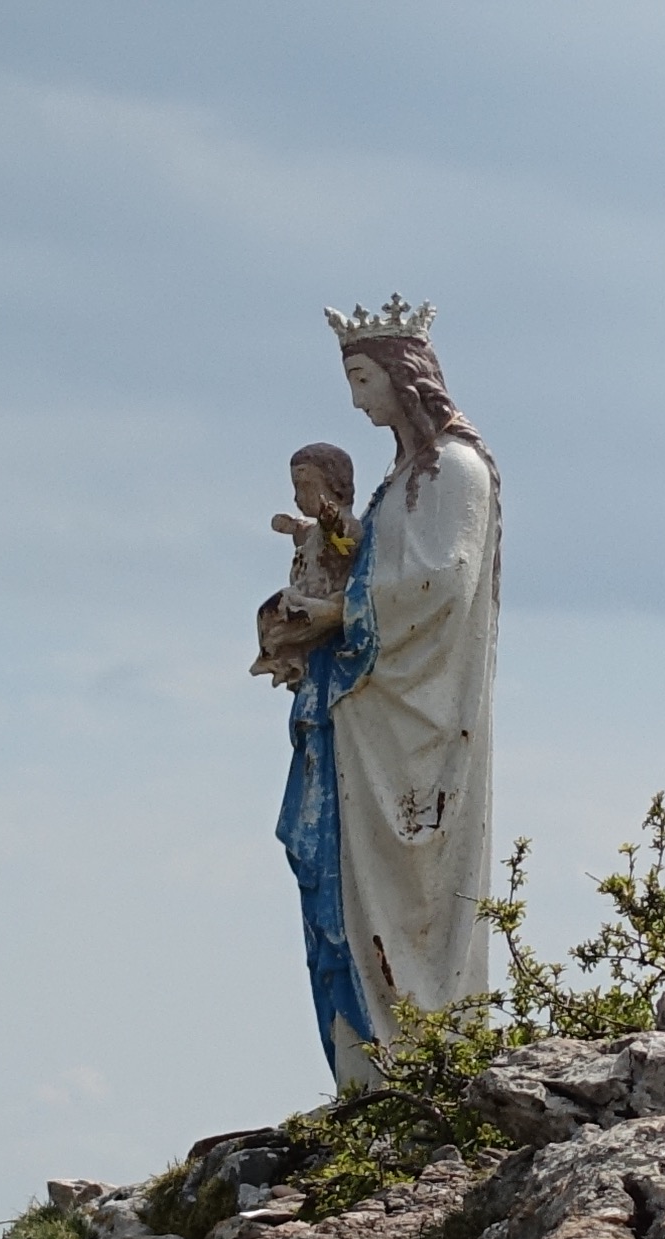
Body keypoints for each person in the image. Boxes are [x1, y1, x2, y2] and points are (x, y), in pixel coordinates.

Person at [277, 297, 502, 1090]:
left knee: (411, 893)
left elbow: (444, 583)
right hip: (365, 707)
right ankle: (366, 1079)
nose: (355, 400)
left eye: (364, 379)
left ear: (406, 378)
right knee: (348, 884)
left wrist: (341, 613)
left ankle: (422, 1069)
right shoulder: (396, 480)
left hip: (417, 721)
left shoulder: (454, 471)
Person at [250, 442, 359, 689]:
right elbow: (304, 533)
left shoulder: (345, 524)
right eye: (296, 489)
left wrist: (332, 527)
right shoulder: (314, 532)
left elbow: (345, 545)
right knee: (270, 612)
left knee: (282, 607)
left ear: (335, 486)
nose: (298, 498)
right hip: (308, 600)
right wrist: (292, 526)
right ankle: (282, 660)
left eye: (305, 488)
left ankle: (284, 661)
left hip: (326, 604)